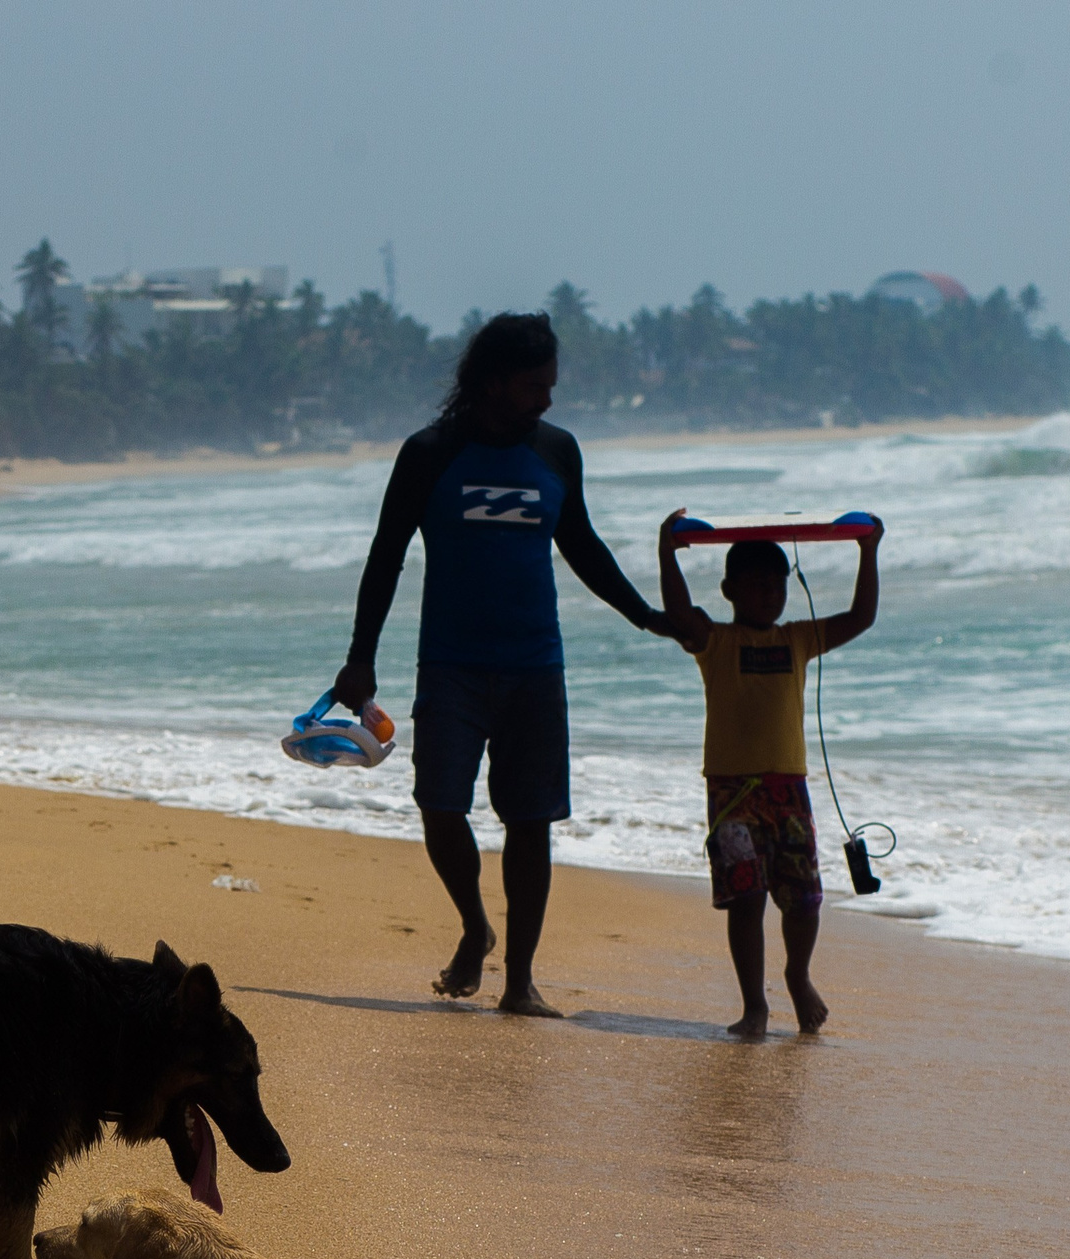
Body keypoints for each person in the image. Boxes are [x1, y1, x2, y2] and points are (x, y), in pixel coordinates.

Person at [330, 313, 672, 1016]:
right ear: (492, 382)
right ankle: (474, 924)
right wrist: (360, 657)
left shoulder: (556, 451)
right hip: (452, 663)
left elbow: (581, 545)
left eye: (550, 385)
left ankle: (521, 980)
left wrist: (649, 617)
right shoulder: (430, 453)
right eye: (533, 386)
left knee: (530, 821)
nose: (546, 399)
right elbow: (386, 555)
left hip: (535, 668)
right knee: (439, 805)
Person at [656, 508, 882, 1037]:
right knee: (746, 896)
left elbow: (861, 617)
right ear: (729, 589)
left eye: (777, 586)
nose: (769, 595)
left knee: (803, 896)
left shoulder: (798, 640)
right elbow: (679, 612)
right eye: (756, 586)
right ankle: (754, 1004)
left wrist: (868, 553)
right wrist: (666, 552)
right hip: (732, 794)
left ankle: (798, 975)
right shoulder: (716, 642)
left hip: (789, 791)